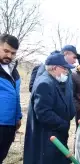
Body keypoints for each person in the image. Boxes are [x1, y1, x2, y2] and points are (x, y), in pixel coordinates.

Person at [23, 53, 76, 164]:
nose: (67, 72)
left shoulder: (54, 81)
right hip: (47, 136)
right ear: (54, 67)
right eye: (65, 68)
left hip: (55, 134)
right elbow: (43, 113)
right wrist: (63, 124)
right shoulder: (45, 83)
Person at [0, 34, 21, 163]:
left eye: (13, 53)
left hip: (9, 125)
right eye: (6, 51)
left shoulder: (13, 71)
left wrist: (18, 117)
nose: (9, 55)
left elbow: (16, 96)